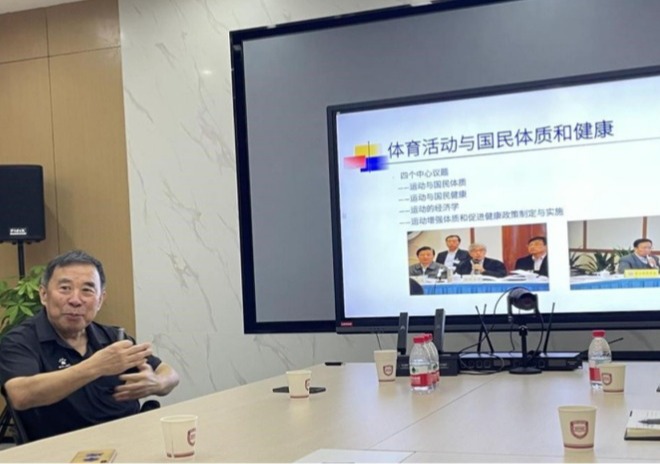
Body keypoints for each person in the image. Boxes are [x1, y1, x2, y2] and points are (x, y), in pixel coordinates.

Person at [0, 250, 180, 441]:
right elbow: (21, 394)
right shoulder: (21, 340)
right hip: (65, 448)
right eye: (65, 288)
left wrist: (156, 383)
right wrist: (97, 366)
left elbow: (170, 374)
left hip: (130, 438)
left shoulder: (112, 337)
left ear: (100, 300)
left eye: (87, 290)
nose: (75, 300)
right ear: (44, 295)